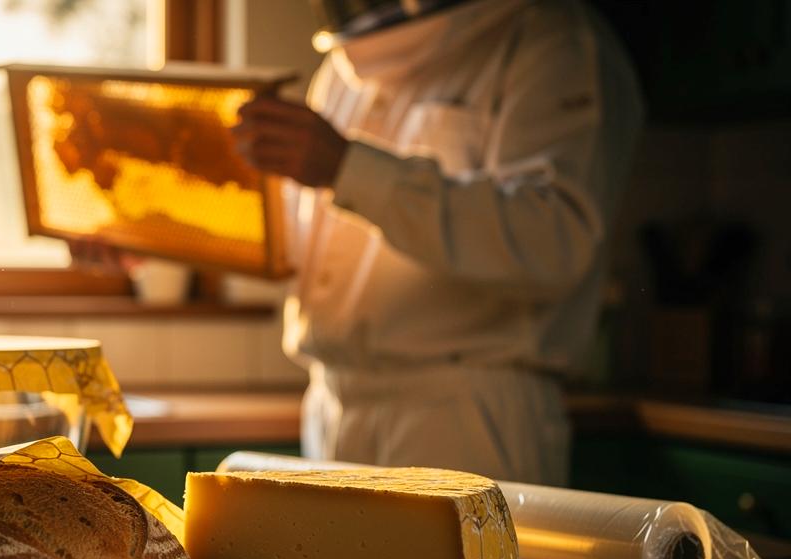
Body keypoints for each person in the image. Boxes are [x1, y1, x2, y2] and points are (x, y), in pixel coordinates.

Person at [231, 0, 644, 484]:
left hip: (463, 414)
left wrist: (347, 166)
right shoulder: (343, 71)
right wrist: (163, 234)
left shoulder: (556, 43)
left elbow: (552, 240)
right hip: (331, 406)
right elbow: (317, 235)